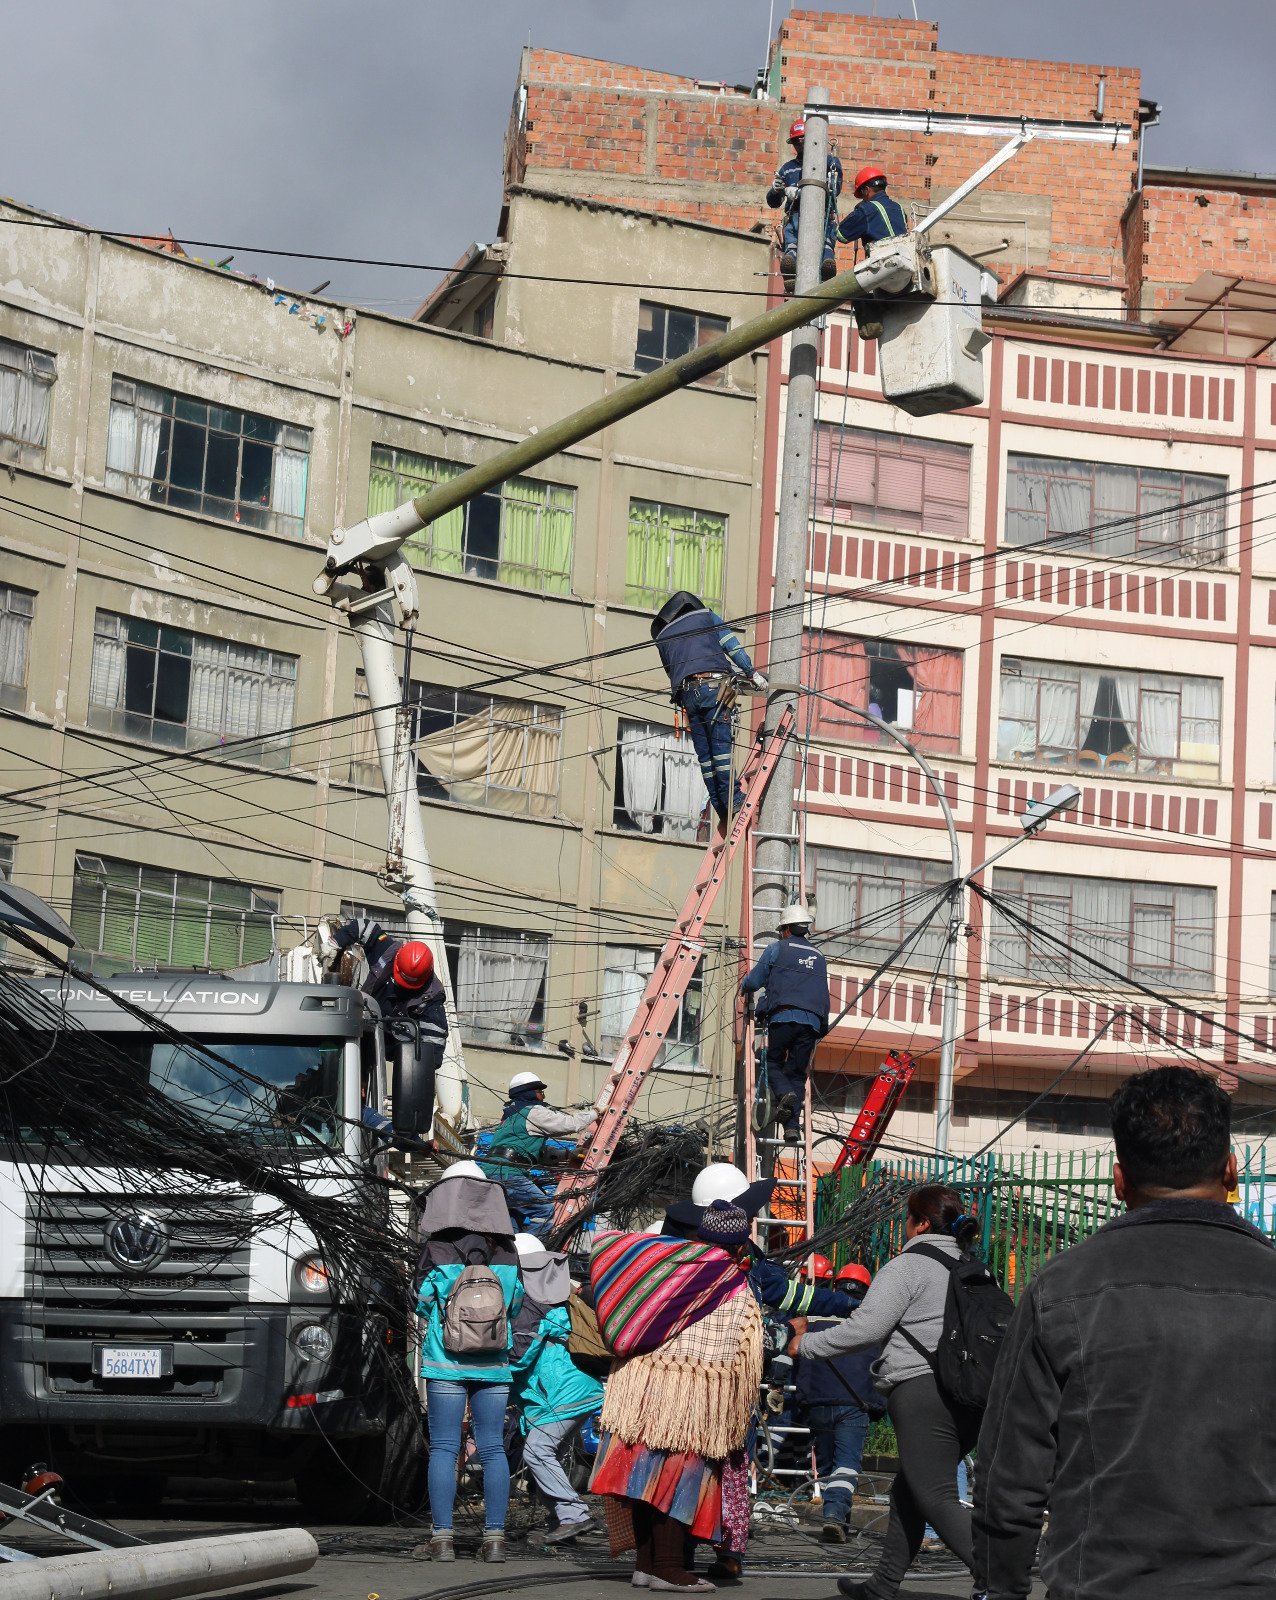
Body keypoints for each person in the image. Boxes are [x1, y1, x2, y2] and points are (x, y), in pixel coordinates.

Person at [973, 1066, 1276, 1600]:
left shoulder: (1062, 1286)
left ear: (1118, 1181)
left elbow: (1009, 1476)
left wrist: (1000, 1588)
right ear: (1231, 1171)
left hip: (1100, 1583)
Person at [789, 1185, 984, 1600]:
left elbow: (866, 1329)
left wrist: (803, 1345)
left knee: (934, 1495)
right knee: (909, 1492)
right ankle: (883, 1586)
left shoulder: (908, 1266)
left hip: (922, 1391)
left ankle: (1001, 1577)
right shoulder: (972, 1265)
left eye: (907, 1218)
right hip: (972, 1394)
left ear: (922, 1223)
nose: (904, 1226)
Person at [589, 1201, 764, 1591]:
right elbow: (744, 1350)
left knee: (644, 1474)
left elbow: (605, 1247)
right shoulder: (730, 1279)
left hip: (639, 1386)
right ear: (738, 1246)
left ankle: (646, 1565)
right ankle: (668, 1567)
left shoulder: (667, 1261)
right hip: (691, 1395)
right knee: (676, 1477)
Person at [414, 1163, 524, 1563]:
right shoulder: (509, 1253)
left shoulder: (437, 1249)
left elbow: (423, 1302)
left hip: (445, 1363)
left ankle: (442, 1539)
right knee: (493, 1447)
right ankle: (494, 1539)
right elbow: (513, 1306)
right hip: (494, 1365)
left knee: (444, 1447)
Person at [663, 1163, 858, 1317]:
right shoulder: (680, 1266)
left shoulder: (744, 1254)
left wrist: (848, 1304)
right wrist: (785, 1333)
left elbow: (782, 1291)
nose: (755, 1214)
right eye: (747, 1212)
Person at [510, 1233, 605, 1544]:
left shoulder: (532, 1306)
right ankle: (560, 1522)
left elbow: (520, 1358)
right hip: (577, 1390)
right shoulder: (556, 1297)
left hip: (562, 1394)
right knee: (549, 1454)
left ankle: (574, 1516)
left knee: (537, 1451)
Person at [651, 592, 767, 827]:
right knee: (721, 750)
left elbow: (670, 670)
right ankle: (732, 799)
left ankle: (721, 806)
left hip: (687, 697)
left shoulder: (664, 636)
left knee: (705, 757)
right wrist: (752, 673)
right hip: (712, 689)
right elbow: (731, 646)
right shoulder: (706, 617)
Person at [792, 1263, 884, 1544]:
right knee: (846, 1465)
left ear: (836, 1285)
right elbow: (880, 1368)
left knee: (831, 1464)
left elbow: (800, 1359)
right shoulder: (873, 1321)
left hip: (819, 1401)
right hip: (855, 1403)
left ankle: (839, 1517)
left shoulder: (814, 1317)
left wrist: (802, 1403)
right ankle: (834, 1515)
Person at [740, 904, 829, 1144]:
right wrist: (822, 1027)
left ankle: (784, 1094)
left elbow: (755, 980)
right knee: (797, 1075)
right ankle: (792, 1128)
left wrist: (743, 987)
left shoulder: (776, 949)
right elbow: (824, 995)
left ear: (787, 929)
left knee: (771, 1063)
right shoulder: (820, 957)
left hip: (784, 1018)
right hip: (811, 1024)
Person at [479, 1071, 596, 1237]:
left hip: (491, 1173)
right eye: (540, 1092)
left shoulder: (509, 1117)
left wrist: (568, 1155)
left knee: (510, 1222)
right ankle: (529, 1254)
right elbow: (568, 1124)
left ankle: (510, 1254)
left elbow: (533, 1153)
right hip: (509, 1174)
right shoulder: (533, 1112)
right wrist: (595, 1113)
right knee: (546, 1211)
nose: (542, 1096)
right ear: (529, 1093)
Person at [765, 116, 844, 290]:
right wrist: (776, 190)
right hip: (796, 215)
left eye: (802, 140)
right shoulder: (788, 168)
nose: (799, 144)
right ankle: (791, 267)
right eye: (796, 141)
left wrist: (826, 184)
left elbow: (835, 190)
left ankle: (826, 266)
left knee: (825, 239)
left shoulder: (829, 162)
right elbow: (773, 202)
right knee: (792, 233)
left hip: (822, 214)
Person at [836, 165, 908, 342]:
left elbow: (842, 235)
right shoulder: (900, 209)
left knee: (857, 287)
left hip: (884, 273)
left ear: (867, 190)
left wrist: (856, 213)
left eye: (862, 195)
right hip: (905, 273)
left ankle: (872, 327)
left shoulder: (867, 210)